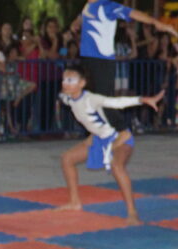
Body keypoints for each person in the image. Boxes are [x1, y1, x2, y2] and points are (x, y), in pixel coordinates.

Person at [70, 0, 176, 138]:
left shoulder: (108, 6)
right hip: (87, 60)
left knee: (106, 103)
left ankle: (124, 134)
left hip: (102, 61)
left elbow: (132, 13)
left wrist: (156, 23)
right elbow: (82, 16)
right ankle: (98, 138)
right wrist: (76, 23)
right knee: (88, 101)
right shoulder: (88, 6)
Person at [57, 66, 164, 219]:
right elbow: (63, 97)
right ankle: (75, 202)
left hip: (119, 137)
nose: (65, 83)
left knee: (116, 166)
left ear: (82, 83)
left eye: (70, 80)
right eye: (64, 79)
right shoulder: (67, 98)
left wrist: (143, 99)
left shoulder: (91, 99)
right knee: (67, 159)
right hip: (98, 138)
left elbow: (117, 102)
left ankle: (132, 212)